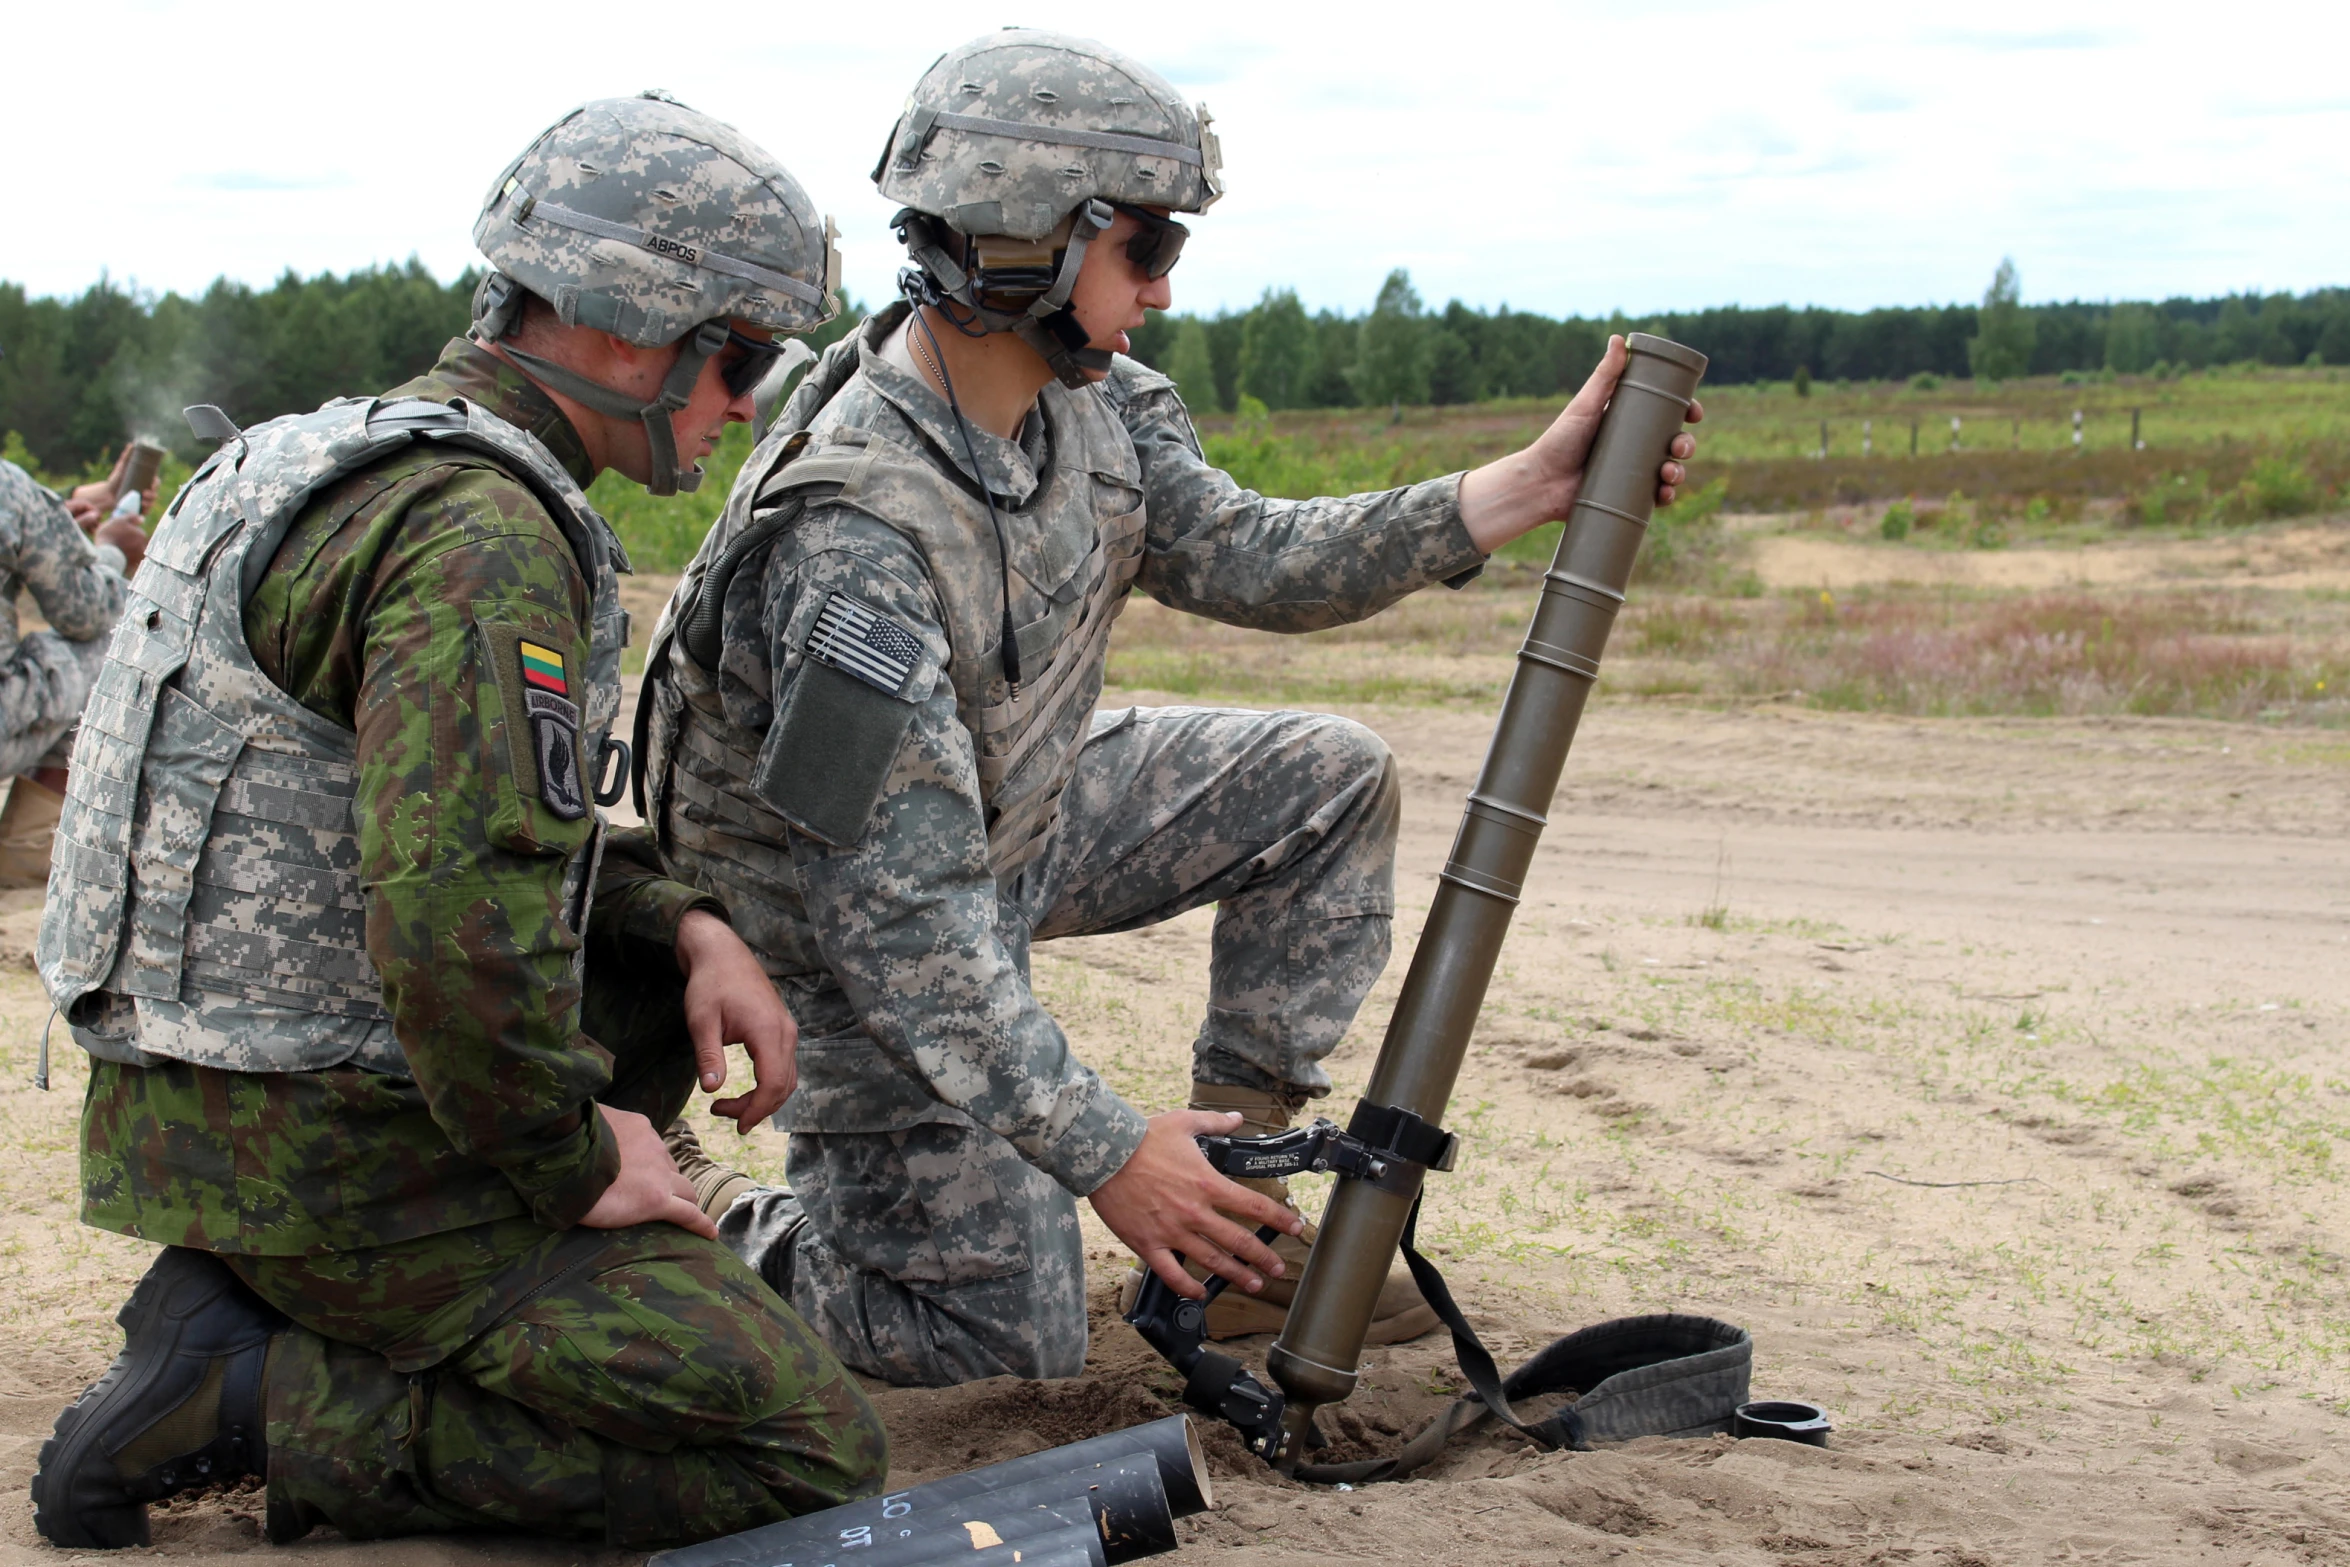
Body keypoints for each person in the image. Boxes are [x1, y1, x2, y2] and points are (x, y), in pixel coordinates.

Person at [638, 30, 1701, 1389]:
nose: (1158, 288)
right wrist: (1106, 1148)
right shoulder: (854, 531)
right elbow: (899, 929)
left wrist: (1527, 485)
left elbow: (1250, 552)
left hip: (997, 828)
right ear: (1032, 239)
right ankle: (710, 1218)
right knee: (989, 1344)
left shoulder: (1098, 408)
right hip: (834, 936)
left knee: (1328, 777)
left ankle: (1231, 1240)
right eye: (1143, 249)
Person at [30, 92, 886, 1551]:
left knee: (640, 978)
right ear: (629, 324)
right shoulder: (476, 536)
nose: (742, 398)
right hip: (325, 1143)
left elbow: (479, 829)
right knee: (805, 1444)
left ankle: (252, 1298)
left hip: (204, 1101)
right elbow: (453, 924)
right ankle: (266, 1392)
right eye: (735, 352)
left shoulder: (312, 457)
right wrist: (573, 1153)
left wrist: (683, 919)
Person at [0, 435, 151, 886]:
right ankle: (25, 851)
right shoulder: (10, 488)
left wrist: (63, 515)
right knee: (109, 647)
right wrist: (109, 552)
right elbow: (85, 614)